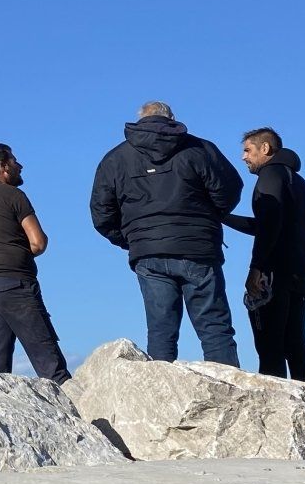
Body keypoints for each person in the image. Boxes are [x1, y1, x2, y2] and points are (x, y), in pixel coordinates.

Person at [89, 101, 244, 364]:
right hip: (197, 248)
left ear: (140, 120)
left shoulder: (115, 159)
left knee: (161, 333)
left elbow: (101, 213)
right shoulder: (199, 149)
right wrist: (206, 219)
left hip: (149, 253)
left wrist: (131, 238)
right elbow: (229, 190)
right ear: (171, 118)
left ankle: (159, 400)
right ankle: (231, 396)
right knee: (214, 328)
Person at [0, 143, 70, 382]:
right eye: (14, 161)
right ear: (3, 167)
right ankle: (80, 417)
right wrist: (14, 254)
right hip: (15, 284)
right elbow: (38, 242)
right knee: (50, 364)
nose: (20, 166)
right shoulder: (14, 196)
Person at [222, 127, 305, 383]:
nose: (243, 157)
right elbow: (267, 224)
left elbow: (269, 228)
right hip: (301, 271)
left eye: (247, 150)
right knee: (296, 345)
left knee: (270, 348)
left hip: (275, 273)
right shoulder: (297, 181)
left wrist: (257, 268)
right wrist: (223, 217)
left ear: (265, 149)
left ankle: (278, 413)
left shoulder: (270, 176)